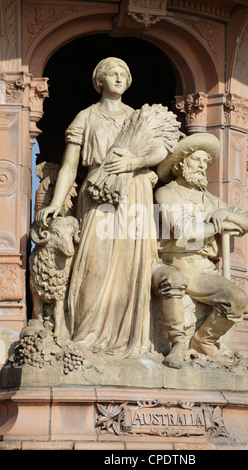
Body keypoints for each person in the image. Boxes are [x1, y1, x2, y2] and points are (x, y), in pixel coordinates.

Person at [36, 57, 180, 359]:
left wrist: (135, 162)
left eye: (123, 74)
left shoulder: (138, 118)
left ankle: (131, 341)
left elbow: (162, 151)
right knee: (93, 266)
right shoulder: (86, 117)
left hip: (136, 192)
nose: (118, 78)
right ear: (99, 81)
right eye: (111, 74)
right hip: (98, 196)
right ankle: (84, 337)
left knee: (132, 267)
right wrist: (56, 203)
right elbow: (69, 166)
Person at [153, 133, 248, 368]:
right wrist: (215, 226)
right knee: (173, 281)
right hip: (176, 261)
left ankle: (203, 341)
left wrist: (226, 214)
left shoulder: (213, 201)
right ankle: (178, 342)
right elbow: (184, 231)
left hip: (204, 269)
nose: (203, 166)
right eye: (197, 160)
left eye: (206, 162)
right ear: (180, 163)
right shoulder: (166, 193)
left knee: (238, 299)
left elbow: (245, 224)